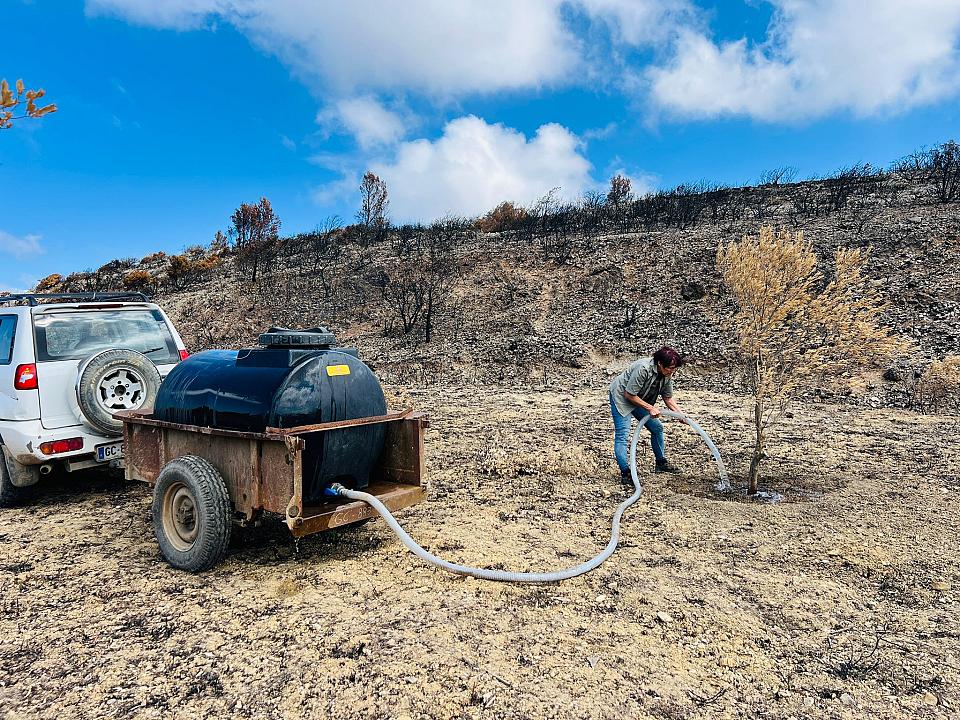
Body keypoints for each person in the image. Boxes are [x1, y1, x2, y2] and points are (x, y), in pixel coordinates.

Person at [609, 346, 687, 482]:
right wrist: (650, 407)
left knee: (657, 428)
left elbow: (667, 398)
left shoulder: (667, 374)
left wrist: (680, 415)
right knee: (623, 435)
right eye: (670, 368)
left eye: (675, 368)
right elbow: (629, 394)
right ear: (660, 364)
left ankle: (661, 463)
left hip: (639, 398)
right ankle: (626, 473)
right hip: (622, 397)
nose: (672, 371)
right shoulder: (643, 368)